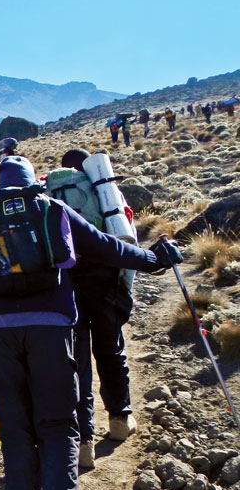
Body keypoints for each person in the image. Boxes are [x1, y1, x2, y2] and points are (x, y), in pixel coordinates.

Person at [0, 155, 181, 490]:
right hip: (51, 324)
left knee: (14, 425)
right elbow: (107, 249)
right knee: (57, 422)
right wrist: (154, 259)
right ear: (33, 181)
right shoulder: (52, 209)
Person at [57, 149, 138, 470]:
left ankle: (83, 444)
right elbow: (127, 241)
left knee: (74, 365)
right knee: (110, 350)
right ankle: (120, 419)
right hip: (105, 282)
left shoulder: (51, 195)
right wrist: (124, 292)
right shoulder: (105, 192)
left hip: (67, 288)